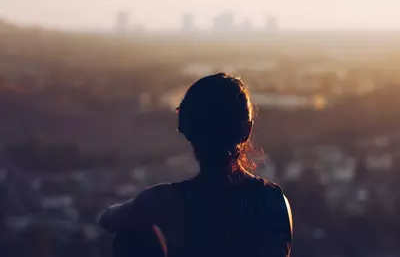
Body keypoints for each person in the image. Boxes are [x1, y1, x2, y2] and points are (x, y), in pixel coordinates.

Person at [99, 73, 293, 257]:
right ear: (246, 131)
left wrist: (143, 210)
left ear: (186, 129)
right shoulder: (274, 200)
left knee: (130, 236)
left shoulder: (165, 201)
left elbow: (108, 219)